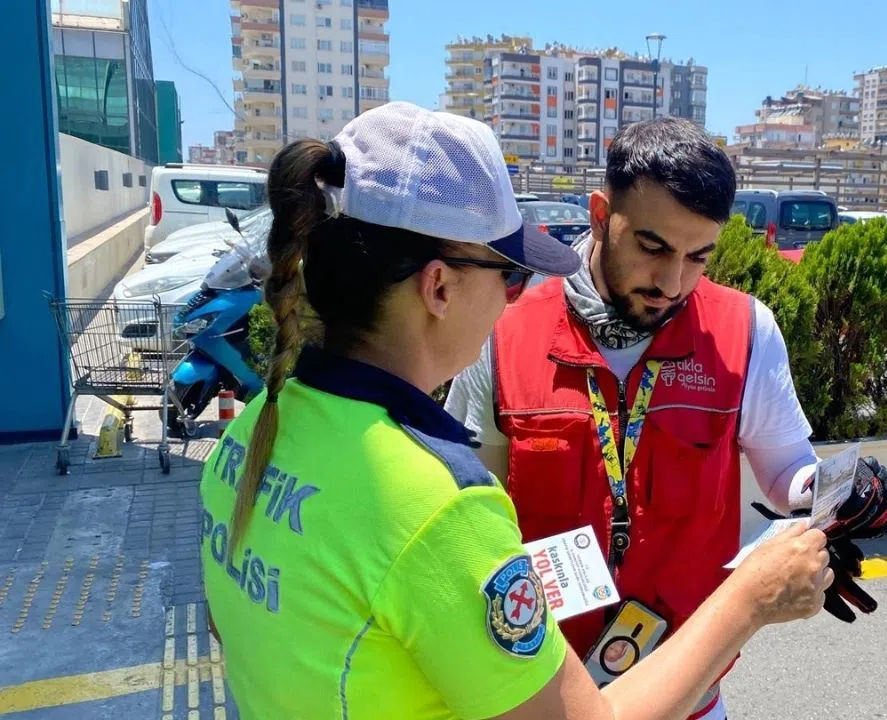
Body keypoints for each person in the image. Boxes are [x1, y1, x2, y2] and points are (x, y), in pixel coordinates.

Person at [198, 102, 835, 720]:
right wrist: (750, 599)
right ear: (439, 287)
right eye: (507, 276)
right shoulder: (440, 506)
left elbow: (241, 632)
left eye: (698, 257)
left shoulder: (254, 431)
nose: (516, 300)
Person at [445, 117, 887, 719]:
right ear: (602, 214)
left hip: (691, 685)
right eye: (652, 248)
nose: (672, 282)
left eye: (698, 257)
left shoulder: (745, 329)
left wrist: (833, 491)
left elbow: (785, 467)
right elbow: (472, 509)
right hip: (540, 691)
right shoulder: (505, 328)